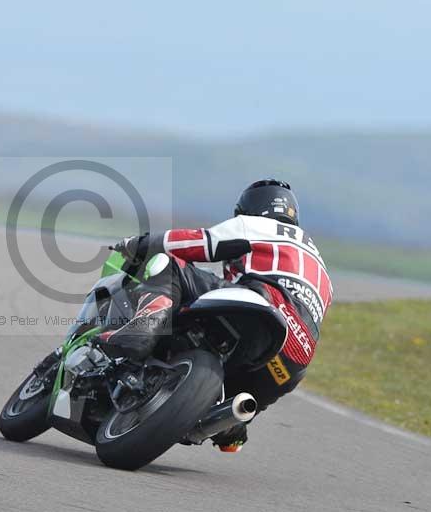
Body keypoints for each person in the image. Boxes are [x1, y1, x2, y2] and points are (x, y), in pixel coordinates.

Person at [98, 179, 333, 452]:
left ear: (249, 208)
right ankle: (230, 426)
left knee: (168, 267)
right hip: (293, 360)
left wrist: (138, 244)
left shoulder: (259, 226)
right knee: (234, 419)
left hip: (264, 307)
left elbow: (199, 243)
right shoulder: (321, 266)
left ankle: (140, 333)